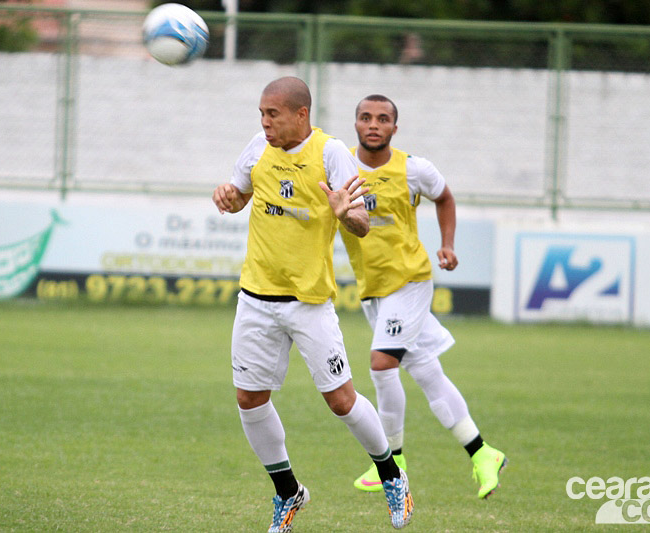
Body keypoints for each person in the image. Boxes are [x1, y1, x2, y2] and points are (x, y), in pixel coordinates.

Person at [212, 78, 414, 532]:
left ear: (300, 114)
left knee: (340, 400)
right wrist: (228, 197)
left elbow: (361, 222)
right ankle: (288, 492)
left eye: (273, 114)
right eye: (262, 114)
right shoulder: (257, 147)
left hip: (309, 303)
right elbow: (240, 194)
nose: (265, 122)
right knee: (249, 398)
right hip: (256, 298)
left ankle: (391, 475)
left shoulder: (331, 153)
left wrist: (348, 213)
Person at [340, 94, 507, 499]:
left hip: (409, 280)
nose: (373, 124)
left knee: (382, 366)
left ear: (395, 128)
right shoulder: (340, 165)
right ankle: (483, 452)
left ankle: (392, 462)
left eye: (383, 119)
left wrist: (447, 244)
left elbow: (445, 197)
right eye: (366, 118)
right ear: (356, 124)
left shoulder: (414, 168)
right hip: (373, 289)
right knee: (426, 372)